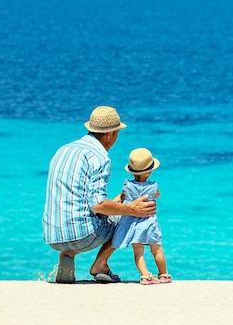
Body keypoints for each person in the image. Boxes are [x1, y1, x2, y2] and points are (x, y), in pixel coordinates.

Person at [42, 106, 156, 284]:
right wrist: (132, 209)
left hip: (53, 235)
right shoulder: (99, 157)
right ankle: (100, 264)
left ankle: (68, 254)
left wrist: (118, 201)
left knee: (116, 210)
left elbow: (77, 198)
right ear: (110, 134)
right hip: (82, 236)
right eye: (117, 133)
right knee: (128, 218)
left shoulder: (63, 150)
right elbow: (97, 205)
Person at [111, 148, 172, 285]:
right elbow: (157, 195)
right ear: (150, 171)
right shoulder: (153, 186)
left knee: (138, 252)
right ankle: (163, 274)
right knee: (156, 249)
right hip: (149, 221)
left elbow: (121, 198)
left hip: (133, 224)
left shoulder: (127, 186)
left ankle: (145, 276)